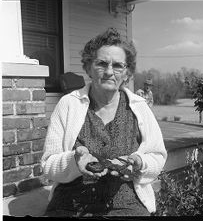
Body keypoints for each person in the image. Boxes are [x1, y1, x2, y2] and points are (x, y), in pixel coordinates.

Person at [41, 27, 167, 217]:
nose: (109, 72)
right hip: (69, 205)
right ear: (88, 68)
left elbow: (158, 157)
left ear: (127, 73)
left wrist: (139, 162)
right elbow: (48, 165)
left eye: (118, 65)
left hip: (127, 204)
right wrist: (74, 161)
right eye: (101, 63)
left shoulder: (139, 107)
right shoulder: (69, 104)